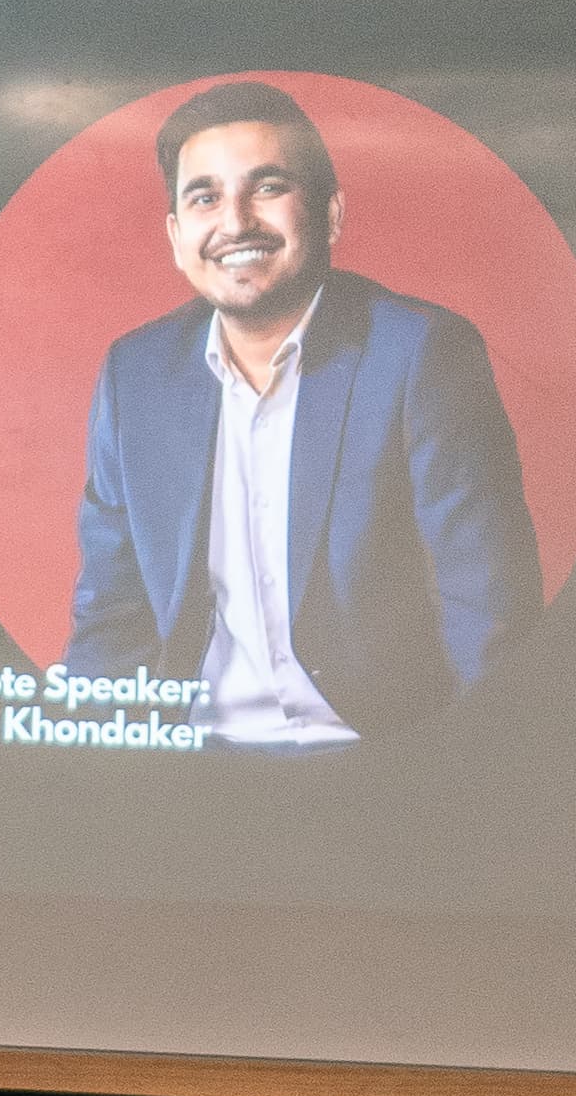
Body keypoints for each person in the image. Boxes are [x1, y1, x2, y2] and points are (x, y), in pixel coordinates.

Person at [64, 79, 543, 742]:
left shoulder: (419, 354)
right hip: (192, 767)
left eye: (267, 187)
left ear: (332, 214)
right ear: (176, 236)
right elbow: (110, 617)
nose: (235, 222)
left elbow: (486, 608)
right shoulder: (136, 374)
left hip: (377, 762)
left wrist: (459, 781)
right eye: (205, 197)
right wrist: (85, 779)